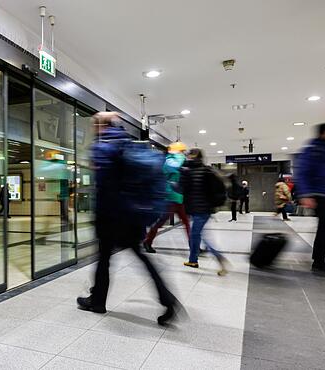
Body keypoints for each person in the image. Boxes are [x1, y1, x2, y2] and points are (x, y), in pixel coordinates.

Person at [76, 112, 179, 325]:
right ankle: (168, 300)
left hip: (111, 215)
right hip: (133, 215)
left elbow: (102, 183)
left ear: (100, 126)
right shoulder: (130, 144)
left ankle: (97, 301)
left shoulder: (103, 147)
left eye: (95, 125)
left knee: (104, 259)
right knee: (140, 257)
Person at [295, 123, 325, 274]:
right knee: (324, 227)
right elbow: (302, 172)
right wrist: (305, 194)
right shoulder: (314, 149)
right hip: (319, 194)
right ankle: (319, 261)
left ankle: (318, 259)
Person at [180, 148, 228, 276]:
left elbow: (182, 188)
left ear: (195, 156)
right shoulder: (195, 170)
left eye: (190, 155)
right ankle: (193, 260)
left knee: (197, 235)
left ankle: (220, 259)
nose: (188, 157)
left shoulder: (197, 171)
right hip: (199, 209)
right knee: (196, 235)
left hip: (201, 210)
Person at [143, 141, 190, 253]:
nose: (183, 153)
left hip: (178, 197)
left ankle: (194, 246)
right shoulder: (169, 160)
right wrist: (181, 158)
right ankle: (147, 241)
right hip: (170, 197)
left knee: (186, 222)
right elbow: (173, 168)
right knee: (161, 221)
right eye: (182, 151)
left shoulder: (178, 160)